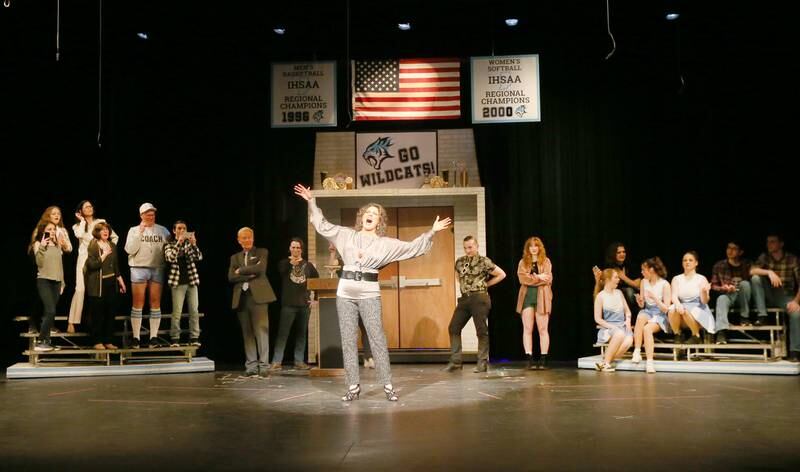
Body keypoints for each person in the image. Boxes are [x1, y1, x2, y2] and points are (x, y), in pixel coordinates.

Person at [294, 183, 451, 402]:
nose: (370, 215)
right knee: (348, 339)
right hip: (346, 292)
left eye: (375, 214)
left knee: (377, 338)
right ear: (361, 217)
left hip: (369, 293)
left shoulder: (386, 244)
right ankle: (352, 386)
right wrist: (312, 201)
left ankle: (387, 385)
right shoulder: (345, 235)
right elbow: (322, 225)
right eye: (367, 212)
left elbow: (412, 247)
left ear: (379, 221)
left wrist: (431, 231)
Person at [444, 235, 506, 374]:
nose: (468, 250)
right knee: (454, 327)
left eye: (470, 247)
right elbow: (458, 277)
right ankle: (456, 362)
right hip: (465, 299)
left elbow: (502, 274)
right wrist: (466, 288)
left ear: (477, 246)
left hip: (479, 298)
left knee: (481, 330)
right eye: (465, 248)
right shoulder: (460, 262)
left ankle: (482, 363)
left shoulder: (484, 261)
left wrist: (485, 285)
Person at [228, 227, 276, 377]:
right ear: (239, 240)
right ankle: (251, 366)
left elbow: (260, 269)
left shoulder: (262, 252)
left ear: (253, 238)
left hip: (259, 297)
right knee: (247, 332)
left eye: (249, 237)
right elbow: (231, 277)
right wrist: (249, 275)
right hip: (242, 298)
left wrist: (240, 271)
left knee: (261, 331)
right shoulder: (235, 257)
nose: (247, 240)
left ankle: (264, 366)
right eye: (244, 238)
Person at [67, 200, 118, 334]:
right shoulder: (77, 226)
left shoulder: (100, 222)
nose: (90, 208)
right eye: (86, 207)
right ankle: (72, 321)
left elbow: (115, 237)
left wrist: (109, 249)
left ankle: (94, 325)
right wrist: (83, 221)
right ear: (81, 211)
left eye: (91, 206)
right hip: (84, 260)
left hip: (99, 260)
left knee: (96, 292)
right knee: (80, 290)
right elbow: (79, 235)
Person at [124, 203, 170, 348]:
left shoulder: (163, 230)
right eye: (148, 214)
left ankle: (153, 337)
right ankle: (136, 337)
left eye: (153, 214)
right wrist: (140, 233)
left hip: (157, 268)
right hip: (138, 268)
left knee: (155, 303)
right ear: (141, 215)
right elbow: (129, 250)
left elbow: (171, 247)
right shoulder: (134, 230)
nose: (151, 217)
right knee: (138, 303)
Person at [270, 237, 320, 371]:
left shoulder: (308, 266)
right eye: (293, 247)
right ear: (289, 249)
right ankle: (276, 361)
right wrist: (291, 263)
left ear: (301, 250)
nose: (296, 250)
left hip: (304, 305)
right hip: (288, 305)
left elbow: (317, 282)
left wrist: (316, 299)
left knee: (301, 334)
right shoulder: (284, 263)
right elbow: (281, 272)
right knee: (283, 334)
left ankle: (299, 361)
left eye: (298, 247)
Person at [750, 234, 800, 361]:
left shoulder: (792, 259)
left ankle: (795, 351)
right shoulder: (764, 257)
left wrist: (795, 301)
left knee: (797, 313)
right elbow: (752, 271)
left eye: (772, 242)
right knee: (756, 278)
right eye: (768, 242)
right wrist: (769, 272)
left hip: (784, 294)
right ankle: (762, 315)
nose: (769, 244)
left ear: (781, 244)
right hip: (768, 293)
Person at [84, 221, 127, 350]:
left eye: (107, 229)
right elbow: (92, 265)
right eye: (102, 229)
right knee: (97, 315)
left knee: (110, 313)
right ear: (97, 232)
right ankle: (97, 341)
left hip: (111, 283)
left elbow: (116, 266)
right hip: (98, 285)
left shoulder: (112, 245)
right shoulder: (93, 245)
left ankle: (108, 340)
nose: (105, 231)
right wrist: (104, 255)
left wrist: (121, 281)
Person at [515, 236, 553, 370]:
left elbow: (548, 279)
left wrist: (534, 278)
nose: (533, 248)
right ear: (528, 248)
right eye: (531, 246)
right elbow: (522, 279)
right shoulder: (523, 262)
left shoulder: (546, 261)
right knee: (527, 329)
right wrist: (538, 277)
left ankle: (543, 359)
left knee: (543, 329)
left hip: (542, 297)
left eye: (536, 245)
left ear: (539, 247)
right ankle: (529, 358)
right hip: (527, 297)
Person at [164, 219, 203, 347]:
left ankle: (194, 337)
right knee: (177, 312)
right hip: (177, 283)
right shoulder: (169, 244)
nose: (182, 231)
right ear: (174, 230)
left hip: (191, 281)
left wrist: (194, 244)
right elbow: (170, 257)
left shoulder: (188, 244)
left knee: (194, 310)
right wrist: (179, 243)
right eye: (179, 228)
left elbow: (198, 257)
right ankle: (175, 338)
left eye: (184, 229)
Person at [29, 220, 66, 351]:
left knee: (48, 313)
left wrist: (62, 282)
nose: (52, 231)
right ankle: (40, 341)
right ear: (43, 231)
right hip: (44, 280)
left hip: (56, 282)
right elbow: (39, 263)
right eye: (49, 229)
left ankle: (47, 341)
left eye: (53, 229)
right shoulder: (38, 243)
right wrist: (43, 247)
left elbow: (59, 265)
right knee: (51, 310)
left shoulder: (57, 245)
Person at [631, 257, 671, 373]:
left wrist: (655, 298)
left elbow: (666, 309)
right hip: (648, 311)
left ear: (652, 270)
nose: (642, 272)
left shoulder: (664, 284)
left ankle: (649, 362)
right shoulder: (644, 282)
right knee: (640, 317)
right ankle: (637, 351)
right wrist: (640, 302)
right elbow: (643, 305)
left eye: (644, 270)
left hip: (660, 314)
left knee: (647, 329)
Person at [710, 241, 752, 344]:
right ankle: (721, 332)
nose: (730, 251)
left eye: (734, 249)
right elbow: (713, 285)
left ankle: (744, 318)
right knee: (721, 299)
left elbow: (753, 283)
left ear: (740, 252)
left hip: (744, 296)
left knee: (745, 284)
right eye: (729, 248)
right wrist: (722, 288)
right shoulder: (719, 265)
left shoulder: (747, 264)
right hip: (728, 295)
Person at [668, 251, 714, 344]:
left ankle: (696, 335)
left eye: (690, 260)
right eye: (685, 260)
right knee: (672, 309)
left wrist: (704, 292)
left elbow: (704, 301)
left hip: (698, 309)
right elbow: (674, 296)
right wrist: (678, 305)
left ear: (696, 263)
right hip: (682, 309)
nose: (687, 262)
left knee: (685, 309)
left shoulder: (701, 279)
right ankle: (678, 335)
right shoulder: (677, 279)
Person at [594, 269, 633, 372]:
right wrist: (612, 327)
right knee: (619, 334)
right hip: (609, 327)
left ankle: (605, 362)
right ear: (607, 280)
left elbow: (628, 312)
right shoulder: (600, 296)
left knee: (628, 341)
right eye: (616, 277)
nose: (618, 279)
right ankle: (606, 363)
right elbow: (597, 318)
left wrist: (628, 322)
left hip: (623, 326)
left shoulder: (619, 293)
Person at [592, 242, 640, 312]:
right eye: (619, 252)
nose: (622, 254)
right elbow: (601, 288)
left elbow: (637, 285)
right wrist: (597, 279)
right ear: (613, 254)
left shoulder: (630, 265)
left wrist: (623, 277)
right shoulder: (608, 268)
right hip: (613, 295)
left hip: (631, 297)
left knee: (629, 291)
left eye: (624, 252)